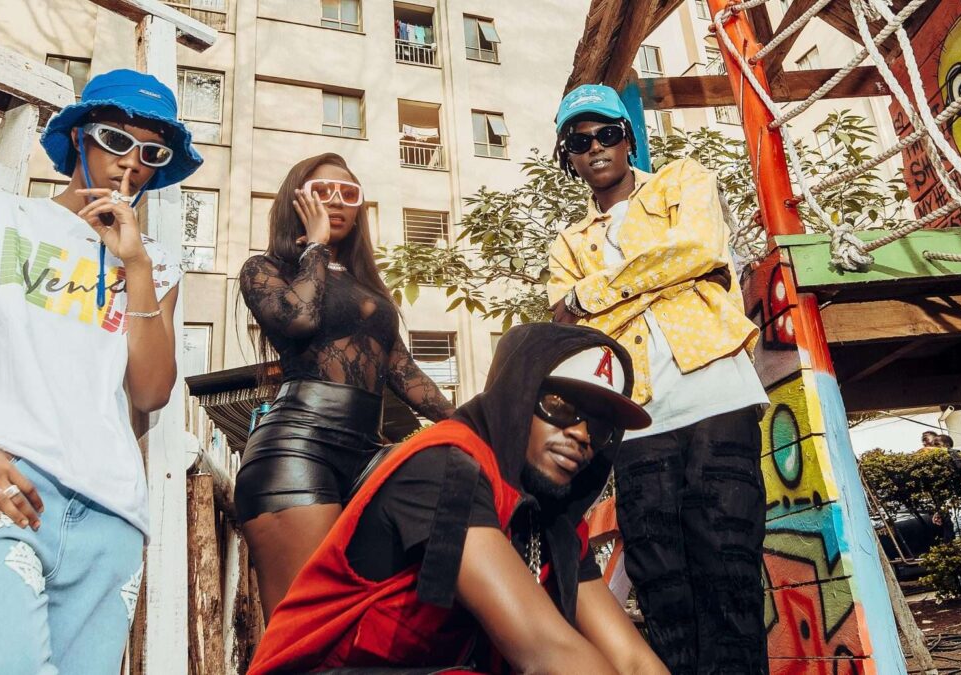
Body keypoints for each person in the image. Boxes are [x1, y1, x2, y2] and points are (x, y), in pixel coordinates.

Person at [0, 69, 201, 673]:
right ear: (78, 139)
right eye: (115, 140)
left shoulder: (157, 266)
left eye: (152, 151)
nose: (132, 162)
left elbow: (150, 391)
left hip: (111, 521)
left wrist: (137, 268)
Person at [247, 322, 668, 674]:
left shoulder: (553, 522)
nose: (581, 435)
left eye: (600, 427)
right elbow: (545, 651)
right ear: (517, 396)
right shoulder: (446, 468)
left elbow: (632, 661)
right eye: (560, 406)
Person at [547, 84, 770, 674]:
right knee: (662, 580)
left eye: (608, 134)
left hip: (714, 387)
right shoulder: (567, 245)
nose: (596, 148)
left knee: (729, 561)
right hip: (635, 411)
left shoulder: (681, 180)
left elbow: (697, 247)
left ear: (628, 138)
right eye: (580, 140)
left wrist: (592, 292)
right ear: (567, 155)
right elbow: (570, 327)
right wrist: (662, 275)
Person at [236, 153, 456, 618]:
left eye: (348, 193)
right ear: (295, 201)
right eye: (321, 192)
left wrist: (472, 423)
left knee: (367, 619)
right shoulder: (264, 268)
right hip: (295, 449)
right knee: (304, 627)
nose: (336, 202)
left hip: (366, 450)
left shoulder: (366, 286)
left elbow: (402, 370)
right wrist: (314, 247)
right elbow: (298, 319)